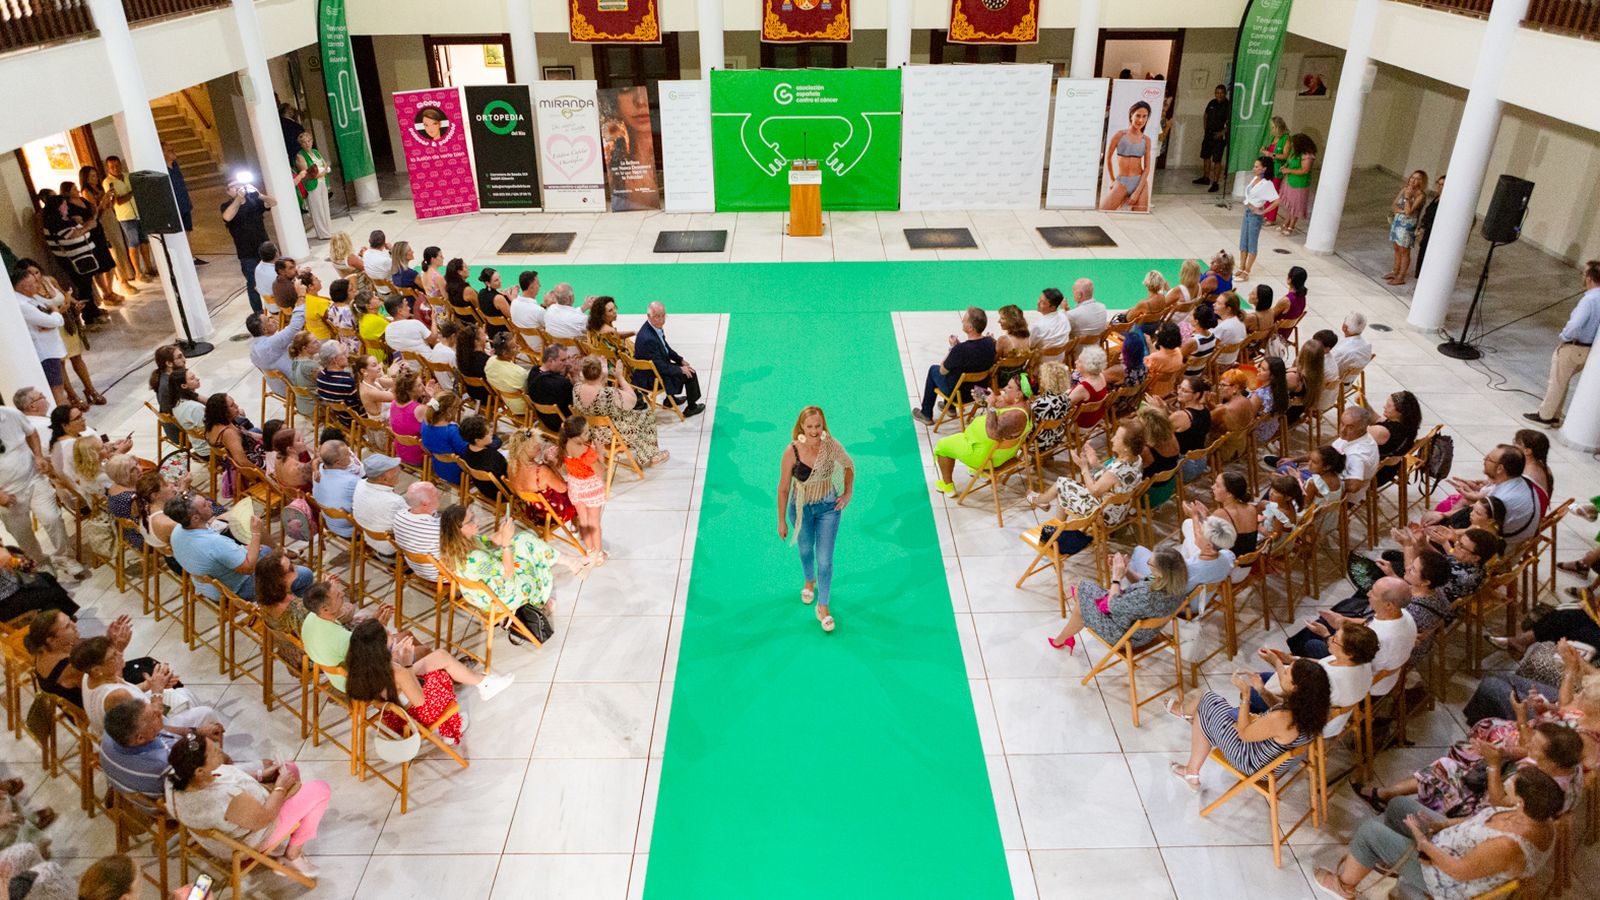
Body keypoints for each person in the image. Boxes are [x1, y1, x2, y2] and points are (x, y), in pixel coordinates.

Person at [1314, 767, 1561, 900]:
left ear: (1522, 803)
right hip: (1447, 843)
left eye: (1511, 789)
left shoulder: (1508, 846)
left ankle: (1344, 886)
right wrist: (1438, 826)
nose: (1505, 791)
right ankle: (1381, 856)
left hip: (1445, 879)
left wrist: (1422, 840)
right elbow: (1477, 821)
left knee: (1369, 832)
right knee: (1398, 805)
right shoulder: (1539, 816)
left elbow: (1459, 871)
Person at [164, 731, 329, 880]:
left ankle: (295, 824)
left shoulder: (176, 778)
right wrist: (280, 787)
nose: (219, 750)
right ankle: (292, 855)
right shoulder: (222, 798)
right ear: (199, 771)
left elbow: (226, 774)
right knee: (320, 790)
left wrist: (260, 775)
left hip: (233, 827)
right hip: (256, 836)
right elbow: (264, 818)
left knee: (290, 768)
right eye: (214, 752)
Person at [1167, 657, 1331, 790]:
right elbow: (1277, 709)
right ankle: (1191, 716)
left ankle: (1191, 771)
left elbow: (1244, 734)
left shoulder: (1283, 718)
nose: (1282, 672)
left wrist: (1246, 695)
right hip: (1270, 762)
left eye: (1287, 673)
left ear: (1295, 687)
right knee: (1210, 709)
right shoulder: (1312, 710)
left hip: (1249, 760)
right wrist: (1261, 690)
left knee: (1207, 701)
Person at [437, 506, 581, 643]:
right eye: (471, 520)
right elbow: (508, 571)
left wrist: (501, 533)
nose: (477, 521)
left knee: (523, 539)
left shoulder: (458, 544)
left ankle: (568, 561)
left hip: (482, 593)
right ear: (459, 529)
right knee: (529, 563)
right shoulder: (475, 557)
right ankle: (538, 601)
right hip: (496, 599)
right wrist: (506, 542)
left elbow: (490, 543)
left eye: (474, 516)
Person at [1025, 421, 1145, 558]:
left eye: (1116, 438)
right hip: (1119, 510)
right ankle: (1054, 522)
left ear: (1126, 448)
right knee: (1065, 489)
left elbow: (1094, 490)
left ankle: (1050, 521)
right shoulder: (1137, 460)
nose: (1111, 439)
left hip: (1104, 515)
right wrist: (1095, 464)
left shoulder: (1117, 470)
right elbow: (1116, 481)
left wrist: (1083, 467)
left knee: (1062, 484)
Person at [0, 397, 84, 581]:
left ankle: (65, 557)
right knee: (23, 534)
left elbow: (31, 433)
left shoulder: (11, 415)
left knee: (53, 519)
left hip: (33, 478)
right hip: (6, 493)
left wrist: (38, 455)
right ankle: (41, 563)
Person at [167, 494, 311, 602]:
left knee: (267, 551)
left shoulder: (177, 531)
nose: (210, 503)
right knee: (304, 575)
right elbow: (248, 568)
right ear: (195, 519)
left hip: (208, 584)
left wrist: (247, 548)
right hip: (237, 589)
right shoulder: (214, 543)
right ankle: (297, 612)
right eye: (205, 505)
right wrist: (255, 532)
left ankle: (285, 575)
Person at [74, 635, 219, 738]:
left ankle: (200, 742)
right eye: (113, 656)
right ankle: (209, 753)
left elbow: (129, 691)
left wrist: (150, 684)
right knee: (206, 713)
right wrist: (157, 690)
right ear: (97, 669)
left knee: (184, 693)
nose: (120, 654)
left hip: (139, 718)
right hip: (146, 735)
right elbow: (154, 724)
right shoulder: (117, 696)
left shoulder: (90, 677)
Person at [1048, 548, 1188, 653]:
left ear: (1161, 570)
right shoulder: (1175, 584)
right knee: (1083, 593)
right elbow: (1142, 581)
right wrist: (1126, 570)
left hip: (1125, 637)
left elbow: (1113, 605)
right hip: (1144, 632)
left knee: (1082, 592)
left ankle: (1062, 638)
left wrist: (1116, 576)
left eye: (1150, 563)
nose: (1148, 564)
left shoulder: (1148, 596)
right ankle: (1065, 636)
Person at [1525, 260, 1599, 426]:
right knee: (1563, 381)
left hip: (1575, 346)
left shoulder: (1589, 300)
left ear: (1589, 277)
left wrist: (1564, 336)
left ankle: (1545, 416)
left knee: (1557, 381)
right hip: (1589, 349)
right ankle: (1555, 414)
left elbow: (1576, 324)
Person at [931, 380, 1030, 496]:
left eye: (1009, 387)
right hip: (1004, 454)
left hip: (986, 457)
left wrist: (991, 406)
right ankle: (981, 473)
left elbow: (992, 433)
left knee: (942, 445)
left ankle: (948, 486)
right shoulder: (1025, 406)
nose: (1005, 388)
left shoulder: (1015, 416)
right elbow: (1004, 412)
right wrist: (990, 399)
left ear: (1019, 394)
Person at [572, 356, 668, 467]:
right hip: (611, 433)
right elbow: (633, 400)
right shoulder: (609, 393)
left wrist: (604, 376)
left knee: (637, 416)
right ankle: (653, 455)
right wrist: (620, 377)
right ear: (599, 373)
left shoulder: (577, 388)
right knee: (647, 415)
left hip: (590, 431)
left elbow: (597, 390)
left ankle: (643, 447)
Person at [912, 307, 997, 424]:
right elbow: (974, 356)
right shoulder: (990, 342)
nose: (962, 321)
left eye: (964, 320)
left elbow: (942, 370)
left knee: (934, 370)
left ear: (970, 328)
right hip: (980, 392)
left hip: (961, 394)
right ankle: (950, 407)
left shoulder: (959, 350)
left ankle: (926, 413)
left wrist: (952, 348)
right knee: (956, 372)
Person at [98, 699, 193, 801]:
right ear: (140, 738)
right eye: (154, 716)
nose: (160, 712)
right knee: (205, 713)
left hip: (125, 785)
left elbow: (160, 733)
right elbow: (189, 787)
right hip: (161, 808)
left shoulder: (110, 734)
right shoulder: (166, 762)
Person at [631, 301, 704, 415]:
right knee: (690, 373)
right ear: (649, 316)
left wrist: (679, 360)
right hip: (651, 378)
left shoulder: (653, 327)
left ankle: (670, 400)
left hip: (651, 371)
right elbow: (660, 366)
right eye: (657, 317)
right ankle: (692, 407)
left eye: (663, 315)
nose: (661, 320)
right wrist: (680, 369)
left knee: (678, 366)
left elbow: (665, 348)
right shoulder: (648, 338)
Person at [220, 179, 275, 315]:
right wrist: (238, 199)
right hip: (247, 252)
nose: (239, 187)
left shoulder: (254, 200)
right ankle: (258, 314)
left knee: (274, 277)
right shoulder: (227, 206)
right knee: (253, 284)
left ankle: (276, 309)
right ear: (228, 191)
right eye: (234, 186)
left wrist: (260, 195)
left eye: (240, 184)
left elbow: (273, 203)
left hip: (265, 248)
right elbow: (227, 217)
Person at [558, 417, 607, 557]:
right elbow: (601, 471)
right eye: (585, 433)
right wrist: (600, 452)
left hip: (575, 487)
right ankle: (598, 553)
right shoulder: (586, 451)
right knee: (594, 523)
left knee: (583, 520)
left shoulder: (565, 444)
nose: (588, 435)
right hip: (590, 488)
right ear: (576, 435)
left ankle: (590, 549)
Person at [101, 156, 156, 280]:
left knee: (144, 241)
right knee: (133, 243)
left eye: (117, 165)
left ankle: (149, 267)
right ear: (108, 168)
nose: (115, 168)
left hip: (138, 212)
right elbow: (117, 201)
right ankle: (138, 272)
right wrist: (132, 192)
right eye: (112, 167)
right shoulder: (108, 182)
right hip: (126, 216)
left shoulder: (128, 176)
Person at [506, 430, 575, 526]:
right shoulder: (541, 471)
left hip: (530, 509)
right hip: (551, 515)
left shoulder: (511, 464)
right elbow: (563, 489)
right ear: (524, 451)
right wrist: (552, 466)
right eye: (535, 446)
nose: (539, 447)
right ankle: (578, 525)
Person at [351, 453, 407, 558]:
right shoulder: (394, 501)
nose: (399, 470)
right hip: (392, 551)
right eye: (395, 471)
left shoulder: (360, 484)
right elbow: (411, 525)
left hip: (371, 541)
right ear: (384, 479)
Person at [1101, 101, 1153, 211]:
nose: (1141, 120)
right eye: (1138, 115)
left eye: (1145, 116)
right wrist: (1112, 180)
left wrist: (1137, 192)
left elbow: (1147, 168)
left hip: (1139, 182)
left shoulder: (1146, 140)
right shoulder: (1119, 135)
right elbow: (1108, 158)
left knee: (1139, 218)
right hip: (1121, 182)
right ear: (1131, 115)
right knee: (1104, 211)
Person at [1237, 156, 1280, 283]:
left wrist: (1263, 211)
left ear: (1264, 168)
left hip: (1255, 215)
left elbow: (1277, 200)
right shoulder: (1255, 179)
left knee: (1252, 243)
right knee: (1243, 240)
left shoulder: (1267, 184)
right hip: (1247, 212)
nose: (1254, 168)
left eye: (1257, 166)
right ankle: (1241, 266)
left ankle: (1247, 270)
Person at [419, 393, 473, 487]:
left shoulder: (425, 423)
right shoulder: (451, 430)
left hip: (438, 467)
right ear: (449, 411)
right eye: (457, 408)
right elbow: (466, 452)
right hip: (457, 472)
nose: (458, 410)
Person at [392, 482, 443, 580]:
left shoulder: (398, 516)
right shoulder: (436, 529)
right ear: (424, 504)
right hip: (440, 575)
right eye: (436, 495)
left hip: (416, 569)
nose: (440, 496)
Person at [1387, 170, 1428, 285]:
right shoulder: (1405, 189)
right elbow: (1394, 205)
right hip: (1398, 221)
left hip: (1408, 225)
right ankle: (1395, 270)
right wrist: (1400, 211)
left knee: (1404, 250)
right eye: (1412, 177)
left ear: (1422, 181)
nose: (1413, 180)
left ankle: (1401, 276)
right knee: (1396, 247)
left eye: (1417, 179)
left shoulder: (1421, 195)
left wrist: (1407, 198)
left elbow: (1409, 211)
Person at [292, 131, 332, 239]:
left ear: (312, 141)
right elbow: (307, 174)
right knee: (317, 209)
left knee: (325, 207)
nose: (307, 144)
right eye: (304, 142)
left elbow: (324, 163)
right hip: (312, 184)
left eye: (309, 141)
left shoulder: (315, 152)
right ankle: (323, 234)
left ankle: (328, 230)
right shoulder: (300, 156)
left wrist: (324, 170)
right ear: (301, 144)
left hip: (322, 181)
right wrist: (323, 172)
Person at [528, 344, 577, 432]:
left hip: (545, 420)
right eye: (563, 360)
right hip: (563, 424)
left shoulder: (533, 371)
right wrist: (574, 375)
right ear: (550, 361)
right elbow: (577, 401)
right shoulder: (561, 383)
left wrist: (564, 372)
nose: (566, 363)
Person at [1277, 133, 1316, 236]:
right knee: (1290, 205)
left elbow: (1304, 170)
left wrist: (1288, 170)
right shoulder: (1295, 153)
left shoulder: (1307, 156)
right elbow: (1289, 162)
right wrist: (1285, 167)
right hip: (1290, 181)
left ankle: (1291, 226)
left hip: (1299, 184)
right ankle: (1286, 222)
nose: (1292, 145)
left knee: (1296, 205)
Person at [485, 332, 530, 416]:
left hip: (507, 403)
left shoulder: (490, 361)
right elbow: (528, 391)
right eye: (514, 347)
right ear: (505, 353)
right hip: (523, 408)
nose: (518, 346)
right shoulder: (519, 372)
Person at [1195, 85, 1230, 192]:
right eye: (1217, 92)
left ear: (1225, 93)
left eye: (1221, 93)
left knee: (1217, 160)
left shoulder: (1228, 105)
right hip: (1208, 135)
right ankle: (1205, 178)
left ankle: (1215, 183)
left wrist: (1222, 133)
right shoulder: (1212, 103)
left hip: (1219, 137)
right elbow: (1205, 115)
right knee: (1206, 156)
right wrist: (1205, 129)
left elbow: (1231, 122)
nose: (1219, 95)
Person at [314, 342, 361, 419]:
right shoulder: (346, 382)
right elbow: (359, 405)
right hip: (353, 421)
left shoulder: (321, 376)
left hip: (339, 417)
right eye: (343, 354)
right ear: (335, 360)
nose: (347, 356)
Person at [1259, 116, 1291, 225]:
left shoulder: (1286, 139)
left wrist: (1271, 154)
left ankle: (1271, 218)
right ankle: (1266, 214)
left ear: (1278, 127)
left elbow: (1285, 156)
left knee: (1273, 193)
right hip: (1269, 168)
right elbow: (1270, 150)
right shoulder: (1273, 138)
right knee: (1267, 191)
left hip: (1277, 169)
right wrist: (1265, 150)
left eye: (1273, 127)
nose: (1271, 130)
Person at [1415, 173, 1445, 276]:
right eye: (1439, 184)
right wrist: (1422, 226)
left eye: (1443, 185)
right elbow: (1429, 213)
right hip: (1427, 230)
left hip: (1434, 232)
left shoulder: (1446, 200)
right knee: (1422, 252)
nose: (1440, 187)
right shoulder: (1436, 198)